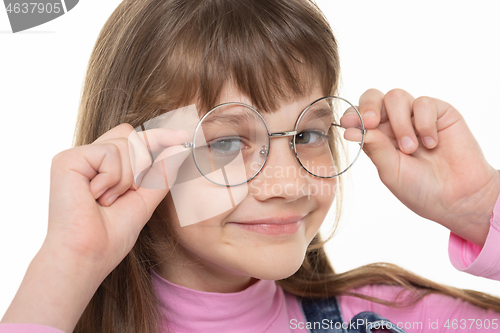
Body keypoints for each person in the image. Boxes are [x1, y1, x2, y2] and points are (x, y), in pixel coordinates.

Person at [1, 0, 500, 332]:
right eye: (226, 143)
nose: (289, 183)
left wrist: (478, 206)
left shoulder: (389, 317)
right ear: (142, 159)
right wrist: (71, 260)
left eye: (307, 135)